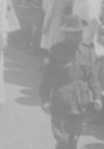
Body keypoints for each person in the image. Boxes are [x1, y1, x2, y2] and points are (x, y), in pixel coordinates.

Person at [39, 16, 99, 149]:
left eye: (80, 32)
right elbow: (46, 77)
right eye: (75, 33)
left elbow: (92, 77)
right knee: (62, 137)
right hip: (61, 100)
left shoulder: (87, 51)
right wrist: (45, 100)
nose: (79, 36)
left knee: (74, 136)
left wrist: (97, 97)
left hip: (80, 102)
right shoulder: (55, 51)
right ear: (67, 34)